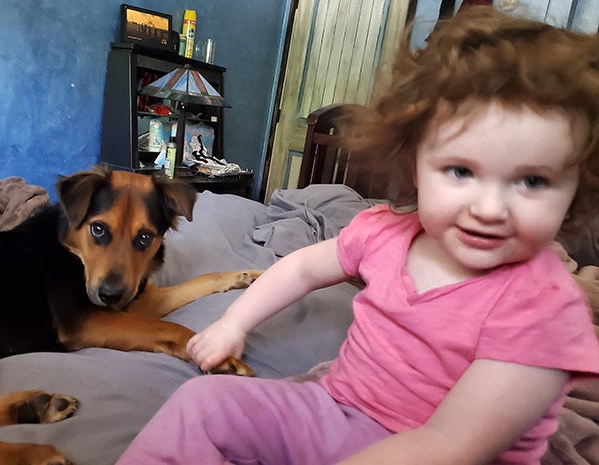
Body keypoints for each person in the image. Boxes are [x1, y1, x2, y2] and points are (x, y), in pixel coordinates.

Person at [116, 6, 599, 464]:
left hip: (429, 453)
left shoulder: (542, 311)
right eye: (460, 170)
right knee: (204, 403)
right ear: (415, 163)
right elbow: (303, 266)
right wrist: (233, 324)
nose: (490, 208)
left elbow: (450, 446)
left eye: (532, 181)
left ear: (577, 187)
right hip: (335, 410)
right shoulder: (385, 232)